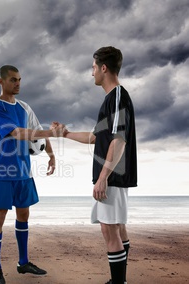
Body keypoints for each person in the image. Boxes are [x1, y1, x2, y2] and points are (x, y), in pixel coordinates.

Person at [54, 46, 137, 284]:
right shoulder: (110, 100)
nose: (92, 74)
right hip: (114, 176)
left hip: (112, 176)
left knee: (109, 229)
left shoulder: (118, 96)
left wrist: (103, 178)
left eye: (93, 68)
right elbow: (95, 137)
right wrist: (65, 134)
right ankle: (119, 280)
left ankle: (118, 282)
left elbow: (119, 141)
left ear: (103, 67)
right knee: (118, 228)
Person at [0, 65, 65, 284]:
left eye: (19, 79)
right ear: (1, 81)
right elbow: (18, 134)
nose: (18, 83)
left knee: (24, 216)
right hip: (2, 171)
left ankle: (23, 263)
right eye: (13, 80)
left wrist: (51, 154)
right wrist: (53, 132)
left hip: (24, 172)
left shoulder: (24, 107)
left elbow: (36, 130)